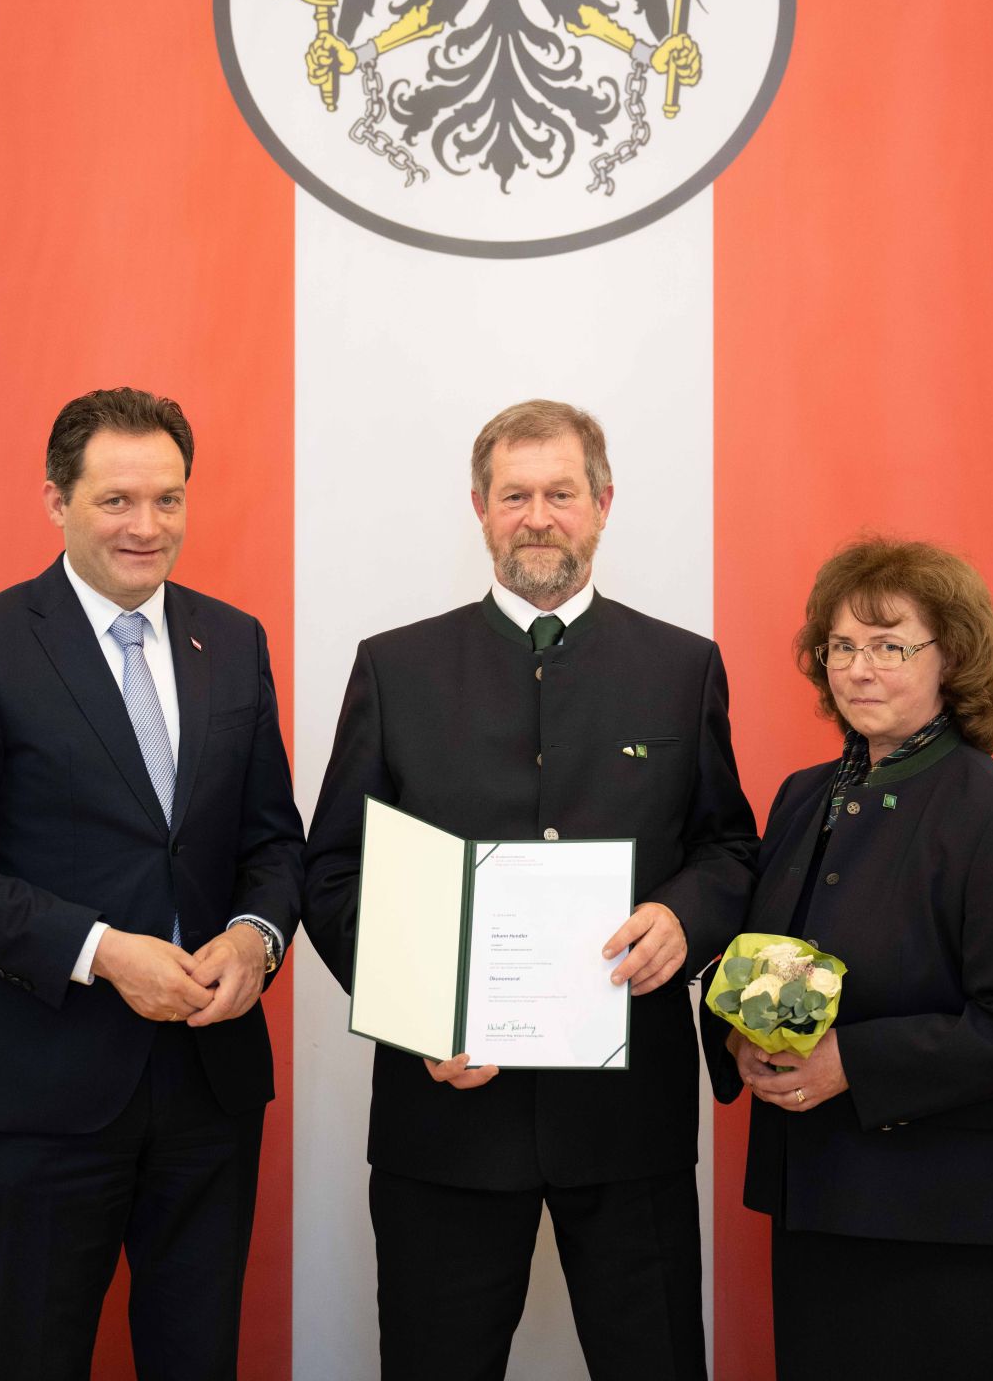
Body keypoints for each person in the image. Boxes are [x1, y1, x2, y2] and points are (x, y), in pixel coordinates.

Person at [304, 398, 758, 1381]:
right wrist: (420, 1010)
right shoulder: (396, 667)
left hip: (629, 1120)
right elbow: (334, 871)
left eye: (561, 493)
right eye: (515, 494)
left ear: (602, 505)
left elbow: (729, 847)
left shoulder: (683, 667)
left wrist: (685, 915)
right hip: (447, 1119)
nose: (538, 515)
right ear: (478, 507)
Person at [0, 387, 305, 1381]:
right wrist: (101, 952)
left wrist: (257, 935)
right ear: (56, 499)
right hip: (44, 1088)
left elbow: (275, 841)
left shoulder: (233, 640)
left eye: (168, 499)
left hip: (210, 1089)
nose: (147, 525)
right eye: (117, 499)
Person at [706, 536, 993, 1381]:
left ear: (953, 659)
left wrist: (850, 1065)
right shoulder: (803, 795)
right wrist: (735, 1036)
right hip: (816, 1197)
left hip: (945, 1218)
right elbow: (759, 957)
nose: (858, 669)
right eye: (840, 646)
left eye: (889, 645)